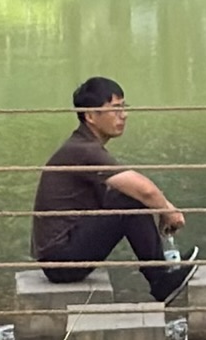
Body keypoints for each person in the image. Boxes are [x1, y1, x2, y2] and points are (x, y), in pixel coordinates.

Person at [31, 71, 191, 304]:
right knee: (130, 199)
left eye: (124, 107)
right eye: (115, 109)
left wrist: (164, 207)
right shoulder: (83, 150)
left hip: (63, 254)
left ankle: (162, 272)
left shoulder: (84, 146)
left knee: (126, 197)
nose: (123, 115)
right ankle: (159, 279)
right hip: (61, 261)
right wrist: (169, 212)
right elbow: (144, 190)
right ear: (90, 116)